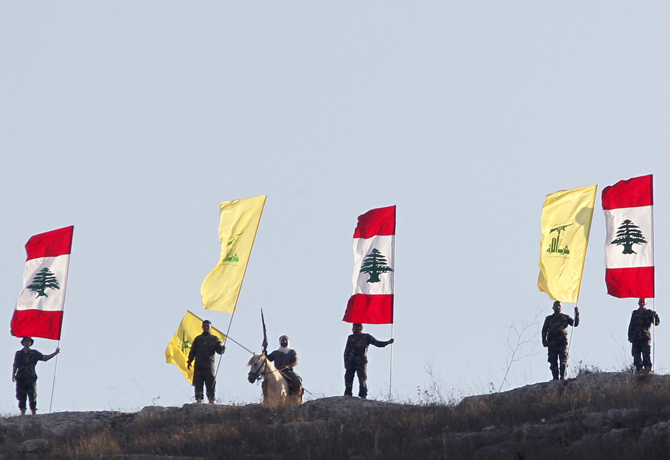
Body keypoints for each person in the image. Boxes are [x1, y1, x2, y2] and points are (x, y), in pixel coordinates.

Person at [343, 323, 394, 399]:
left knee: (362, 378)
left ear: (359, 327)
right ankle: (347, 394)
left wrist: (387, 342)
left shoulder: (366, 337)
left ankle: (363, 395)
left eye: (354, 327)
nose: (352, 329)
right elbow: (346, 351)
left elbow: (377, 343)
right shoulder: (351, 338)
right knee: (348, 377)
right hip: (351, 362)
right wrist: (345, 361)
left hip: (361, 362)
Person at [12, 337, 60, 415]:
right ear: (22, 343)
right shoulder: (18, 353)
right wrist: (13, 374)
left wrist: (55, 353)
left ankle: (33, 412)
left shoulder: (34, 353)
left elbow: (45, 358)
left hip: (30, 377)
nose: (27, 342)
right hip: (20, 377)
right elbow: (15, 365)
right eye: (25, 341)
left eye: (29, 341)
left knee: (32, 395)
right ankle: (22, 412)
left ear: (31, 343)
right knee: (21, 395)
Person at [187, 320, 225, 403]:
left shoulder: (214, 339)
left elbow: (219, 351)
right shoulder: (198, 339)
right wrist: (189, 360)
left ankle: (211, 399)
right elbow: (193, 351)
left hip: (209, 364)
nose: (206, 327)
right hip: (199, 364)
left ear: (211, 327)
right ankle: (199, 399)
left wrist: (222, 349)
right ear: (202, 327)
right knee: (198, 382)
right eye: (205, 326)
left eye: (208, 326)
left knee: (210, 382)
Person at [541, 301, 579, 380]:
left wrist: (577, 313)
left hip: (562, 342)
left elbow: (575, 324)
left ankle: (562, 377)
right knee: (553, 360)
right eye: (556, 306)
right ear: (553, 307)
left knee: (563, 360)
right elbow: (544, 330)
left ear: (561, 308)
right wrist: (544, 340)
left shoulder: (565, 317)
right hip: (552, 342)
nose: (558, 307)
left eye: (559, 306)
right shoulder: (549, 319)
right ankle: (555, 378)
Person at [628, 298, 660, 374]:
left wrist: (655, 316)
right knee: (636, 354)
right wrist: (630, 336)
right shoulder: (635, 313)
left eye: (643, 302)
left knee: (646, 354)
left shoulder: (649, 313)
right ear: (638, 303)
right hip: (636, 337)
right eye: (641, 302)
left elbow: (656, 323)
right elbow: (631, 325)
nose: (642, 304)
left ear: (646, 304)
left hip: (645, 337)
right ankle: (638, 370)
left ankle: (647, 370)